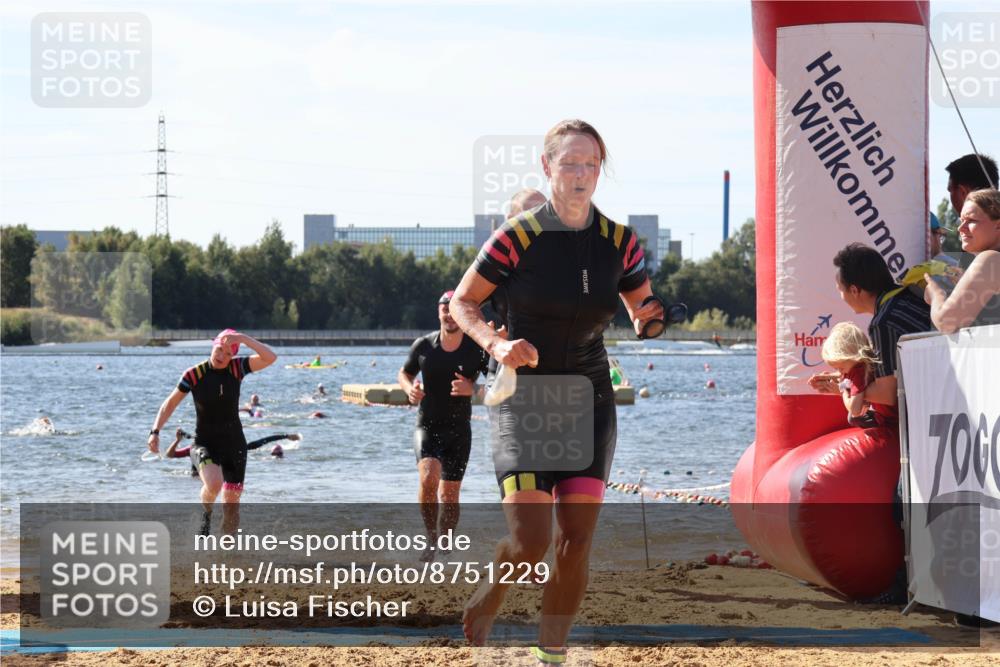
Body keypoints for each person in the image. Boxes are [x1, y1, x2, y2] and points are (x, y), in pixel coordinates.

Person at [449, 119, 664, 662]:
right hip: (523, 400)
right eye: (570, 163)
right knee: (530, 545)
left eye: (591, 164)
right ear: (547, 167)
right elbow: (464, 302)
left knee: (575, 541)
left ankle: (551, 654)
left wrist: (649, 318)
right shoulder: (516, 236)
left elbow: (639, 304)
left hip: (589, 401)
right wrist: (495, 344)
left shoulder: (620, 241)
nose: (581, 174)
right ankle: (495, 587)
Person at [147, 329, 276, 534]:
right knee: (214, 484)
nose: (222, 356)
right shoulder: (194, 374)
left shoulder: (237, 368)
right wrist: (155, 431)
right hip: (204, 443)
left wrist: (243, 338)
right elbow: (170, 404)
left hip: (234, 444)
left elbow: (270, 357)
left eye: (228, 353)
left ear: (233, 356)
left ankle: (226, 550)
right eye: (219, 349)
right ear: (213, 345)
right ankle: (206, 512)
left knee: (231, 508)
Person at [398, 290, 488, 561]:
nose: (449, 315)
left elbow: (499, 385)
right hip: (426, 425)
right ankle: (430, 539)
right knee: (428, 478)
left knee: (450, 494)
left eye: (453, 309)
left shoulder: (477, 349)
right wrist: (409, 389)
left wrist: (473, 389)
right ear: (439, 312)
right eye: (444, 309)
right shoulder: (424, 346)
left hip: (459, 430)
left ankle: (446, 543)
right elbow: (405, 373)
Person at [808, 243, 931, 411]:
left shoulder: (882, 323)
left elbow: (887, 393)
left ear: (854, 290)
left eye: (840, 290)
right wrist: (842, 376)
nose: (841, 296)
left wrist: (843, 388)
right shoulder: (906, 296)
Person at [925, 189, 1000, 332]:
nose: (960, 228)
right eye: (961, 220)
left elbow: (946, 322)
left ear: (998, 225)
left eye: (971, 220)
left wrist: (936, 294)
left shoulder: (991, 258)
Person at [820, 322, 891, 429]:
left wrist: (842, 390)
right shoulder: (863, 363)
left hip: (887, 416)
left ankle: (883, 427)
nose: (840, 372)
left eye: (841, 368)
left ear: (852, 357)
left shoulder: (858, 373)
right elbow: (845, 377)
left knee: (852, 418)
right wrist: (831, 377)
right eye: (836, 369)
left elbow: (855, 410)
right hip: (889, 409)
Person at [165, 427, 301, 476]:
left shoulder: (223, 448)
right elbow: (169, 455)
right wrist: (177, 440)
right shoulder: (193, 449)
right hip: (197, 479)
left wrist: (285, 436)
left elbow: (259, 443)